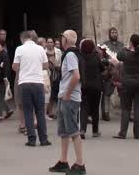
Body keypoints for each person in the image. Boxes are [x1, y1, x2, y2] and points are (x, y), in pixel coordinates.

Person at [48, 30, 86, 174]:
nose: (61, 39)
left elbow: (76, 76)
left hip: (69, 98)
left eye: (62, 37)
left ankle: (80, 164)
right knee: (64, 132)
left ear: (66, 40)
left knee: (73, 131)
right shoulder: (73, 54)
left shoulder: (70, 55)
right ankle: (63, 161)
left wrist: (68, 94)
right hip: (65, 97)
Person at [12, 30, 51, 147]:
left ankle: (31, 139)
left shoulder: (19, 49)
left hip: (24, 83)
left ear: (22, 39)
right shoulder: (40, 49)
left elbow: (15, 67)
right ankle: (44, 139)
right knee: (40, 111)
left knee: (28, 111)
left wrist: (24, 67)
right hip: (38, 82)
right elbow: (46, 65)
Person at [114, 33, 139, 139]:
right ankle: (137, 134)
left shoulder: (126, 53)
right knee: (138, 107)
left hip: (128, 83)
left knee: (126, 108)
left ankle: (123, 132)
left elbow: (118, 56)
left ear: (131, 42)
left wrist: (127, 47)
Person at [78, 38, 104, 138]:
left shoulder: (80, 57)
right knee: (95, 108)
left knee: (84, 107)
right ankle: (95, 130)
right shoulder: (96, 57)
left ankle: (82, 129)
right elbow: (102, 68)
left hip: (84, 85)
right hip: (96, 86)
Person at [102, 27, 122, 121]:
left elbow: (124, 57)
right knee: (107, 93)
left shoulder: (121, 45)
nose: (114, 34)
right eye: (112, 32)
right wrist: (108, 61)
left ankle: (127, 112)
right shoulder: (105, 45)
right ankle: (106, 112)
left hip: (119, 72)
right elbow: (101, 58)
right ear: (109, 34)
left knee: (123, 93)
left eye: (115, 32)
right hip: (109, 72)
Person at [0, 30, 14, 120]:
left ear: (2, 47)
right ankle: (8, 109)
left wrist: (6, 79)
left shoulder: (4, 55)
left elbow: (6, 68)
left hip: (3, 79)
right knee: (1, 96)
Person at [45, 37, 61, 119]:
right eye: (48, 42)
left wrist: (58, 66)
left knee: (57, 92)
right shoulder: (43, 52)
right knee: (49, 93)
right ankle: (49, 111)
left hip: (57, 73)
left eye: (51, 42)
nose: (50, 43)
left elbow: (61, 61)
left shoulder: (58, 51)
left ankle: (58, 111)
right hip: (47, 74)